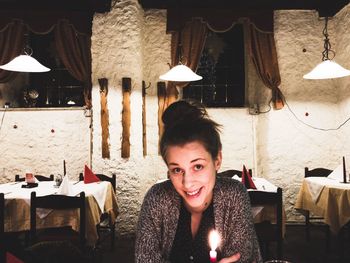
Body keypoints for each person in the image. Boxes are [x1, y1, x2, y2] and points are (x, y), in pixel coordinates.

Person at [135, 100, 262, 263]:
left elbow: (241, 258)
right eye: (177, 170)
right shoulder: (157, 198)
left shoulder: (234, 195)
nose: (187, 183)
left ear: (217, 160)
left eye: (198, 166)